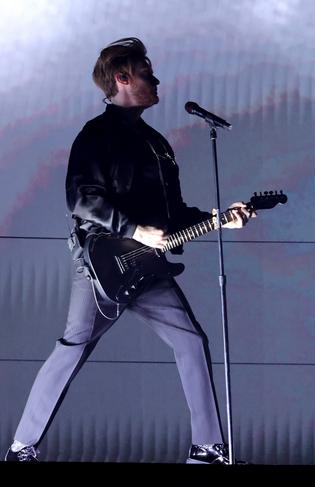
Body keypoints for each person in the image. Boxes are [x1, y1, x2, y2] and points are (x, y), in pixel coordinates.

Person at [4, 37, 253, 464]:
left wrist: (218, 218)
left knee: (191, 341)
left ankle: (207, 449)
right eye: (147, 75)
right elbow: (82, 199)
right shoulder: (95, 135)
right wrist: (134, 229)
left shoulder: (157, 145)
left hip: (149, 266)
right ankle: (22, 449)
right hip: (103, 264)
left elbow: (171, 215)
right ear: (122, 78)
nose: (156, 82)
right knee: (74, 347)